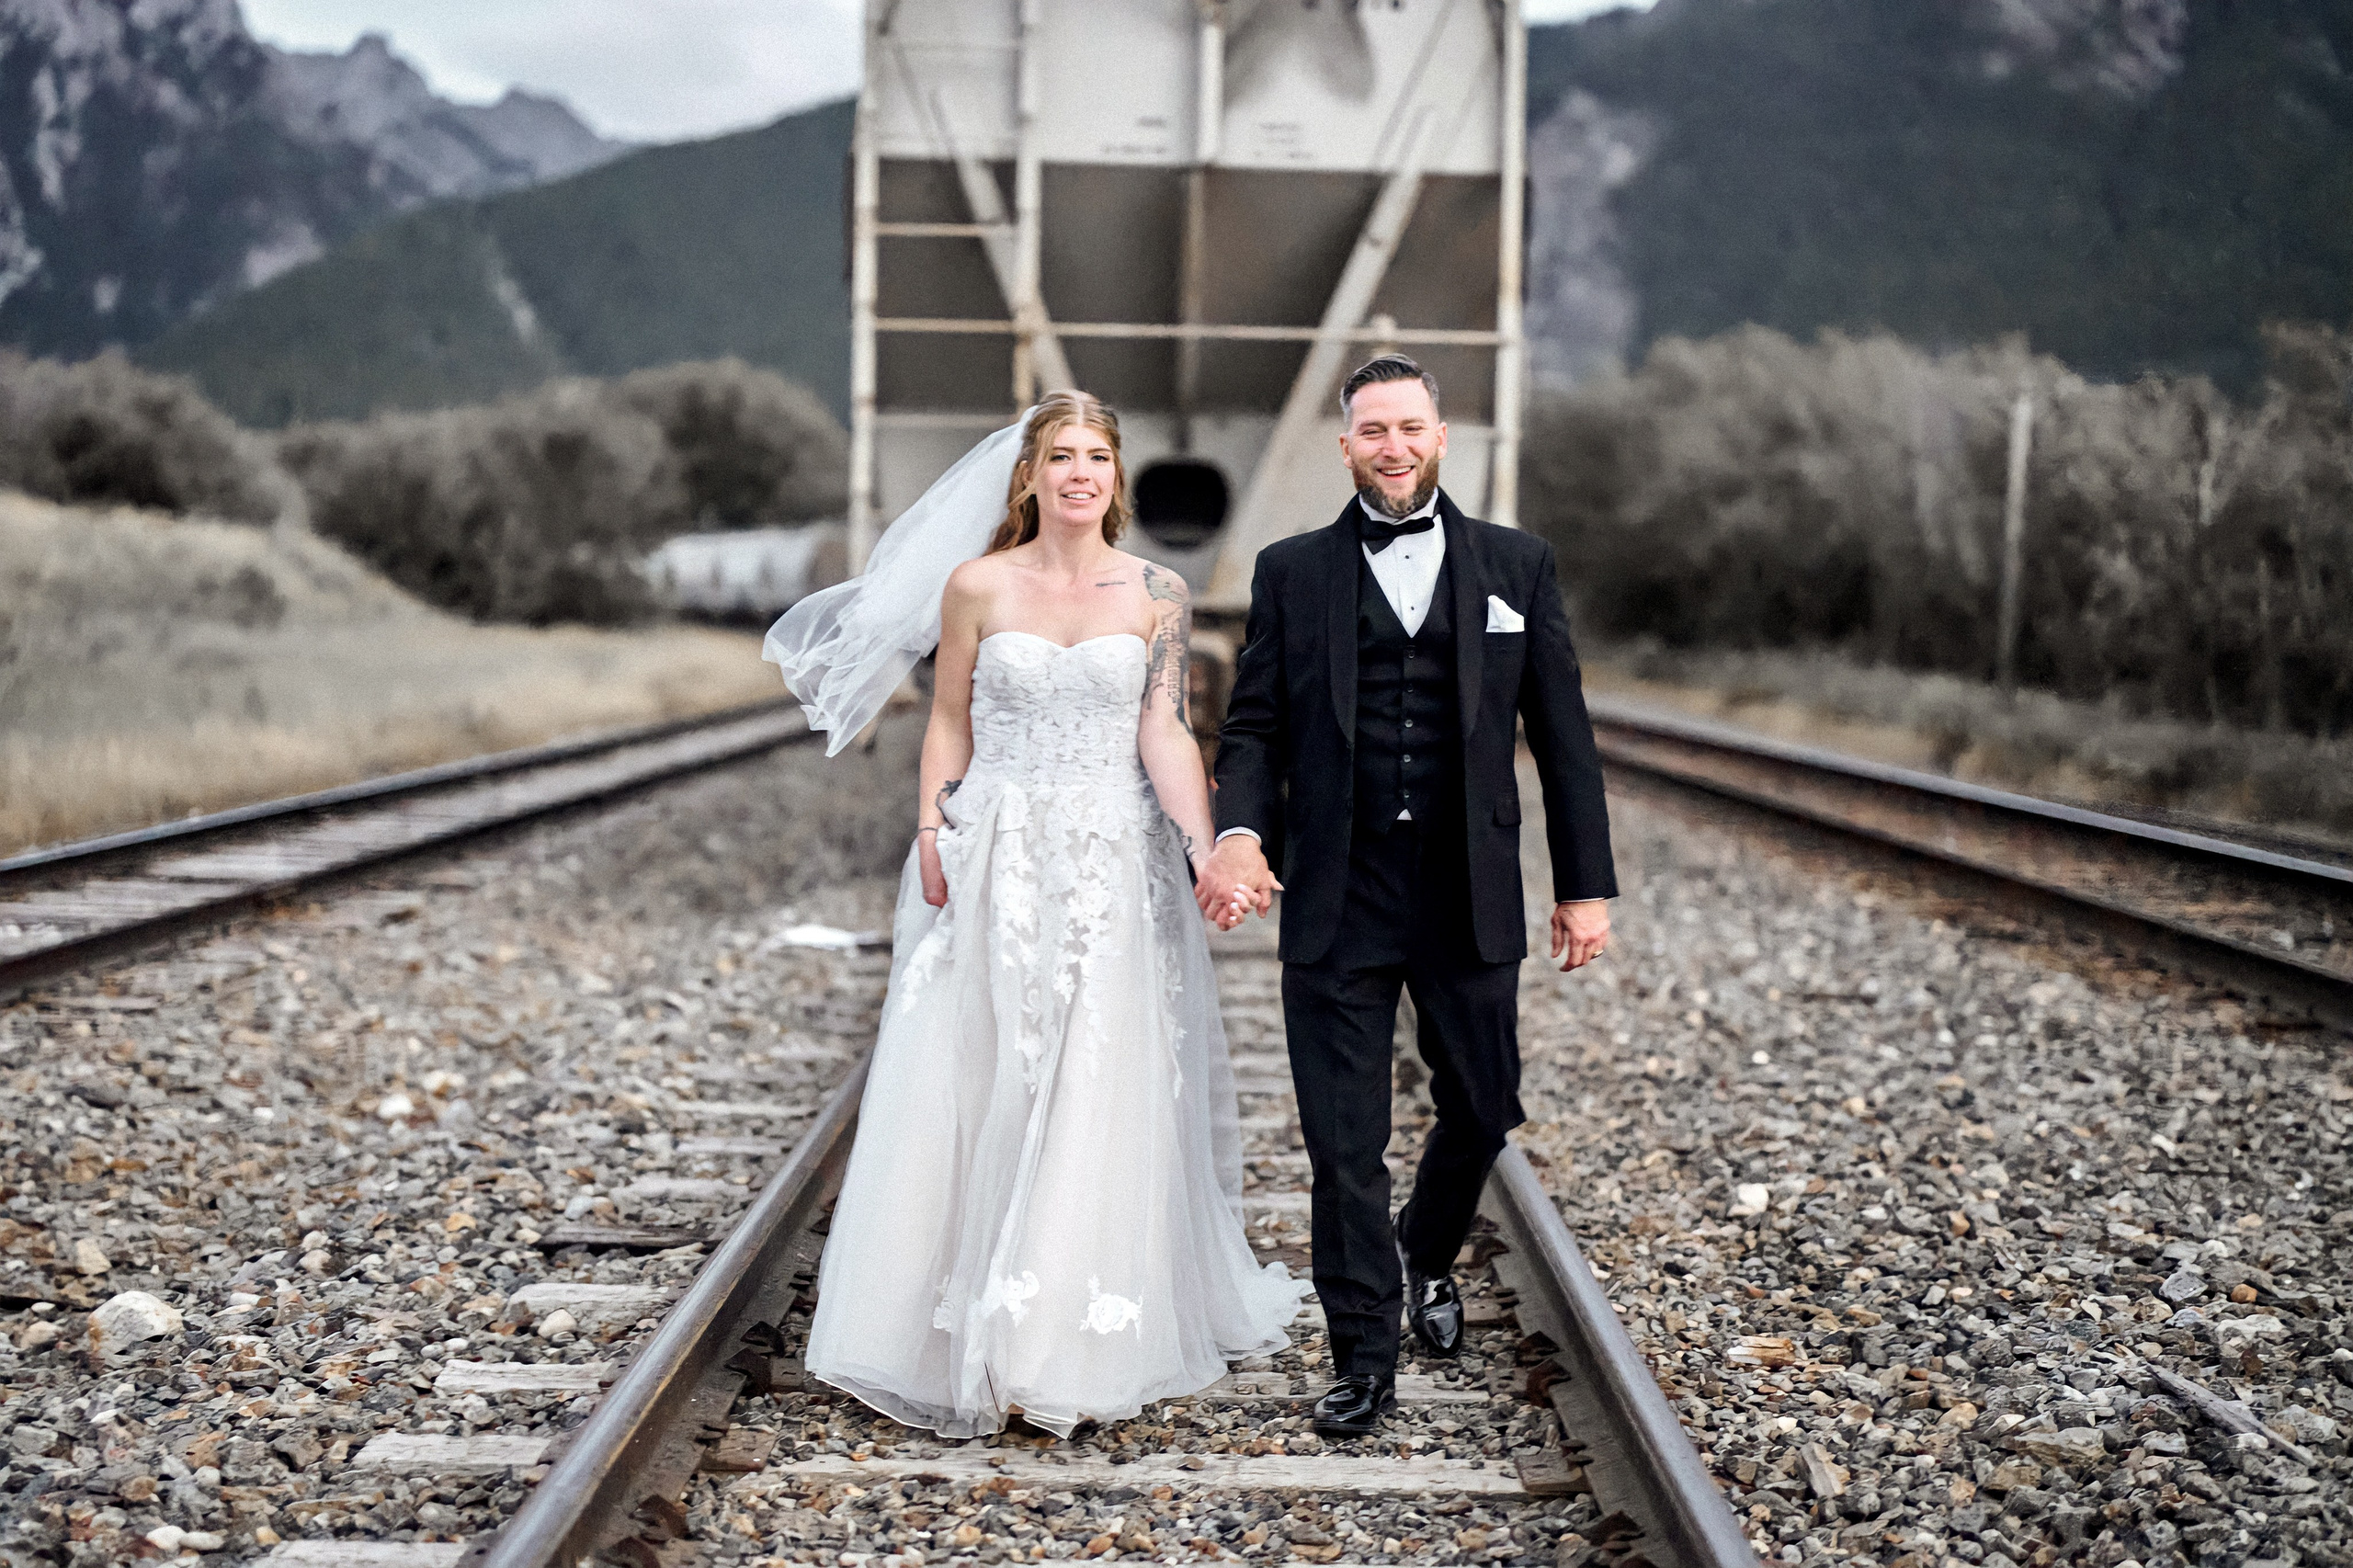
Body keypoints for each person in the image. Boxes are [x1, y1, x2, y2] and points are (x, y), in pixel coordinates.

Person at [763, 392, 1303, 1438]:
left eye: (1096, 455)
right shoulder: (976, 585)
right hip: (999, 847)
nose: (1078, 473)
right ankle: (951, 1322)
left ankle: (1057, 1339)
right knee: (982, 1062)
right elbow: (951, 719)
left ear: (1117, 475)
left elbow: (1164, 729)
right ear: (1031, 475)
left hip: (1112, 854)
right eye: (1060, 455)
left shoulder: (1156, 591)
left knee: (1092, 1073)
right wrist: (932, 831)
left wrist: (1205, 847)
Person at [1200, 354, 1617, 1438]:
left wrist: (1585, 887)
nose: (1392, 444)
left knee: (1483, 1102)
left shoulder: (1517, 565)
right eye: (1372, 429)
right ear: (1345, 447)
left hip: (1466, 889)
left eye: (1410, 426)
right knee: (1344, 1144)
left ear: (1441, 438)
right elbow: (1253, 729)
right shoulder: (1290, 570)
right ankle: (1363, 1358)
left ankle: (1423, 1250)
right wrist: (1241, 833)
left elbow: (1562, 738)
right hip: (1337, 892)